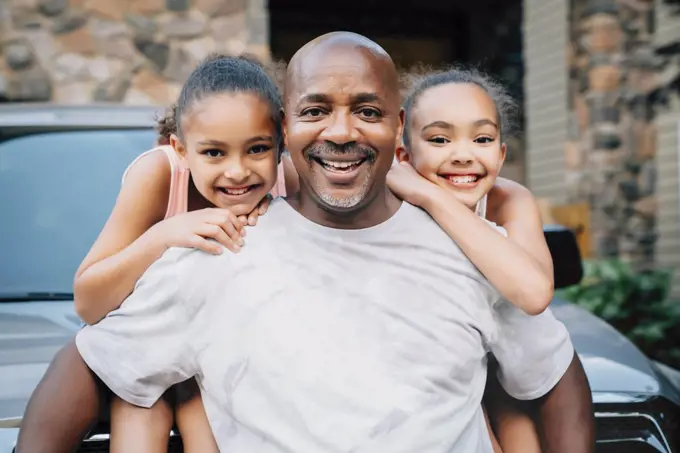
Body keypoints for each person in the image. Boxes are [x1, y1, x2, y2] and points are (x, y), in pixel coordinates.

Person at [16, 32, 595, 453]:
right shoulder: (221, 247)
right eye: (316, 110)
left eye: (366, 111)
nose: (341, 133)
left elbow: (555, 368)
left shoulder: (470, 248)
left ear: (398, 128)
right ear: (285, 128)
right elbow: (90, 361)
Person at [73, 53, 288, 453]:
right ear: (182, 149)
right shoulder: (160, 174)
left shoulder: (286, 186)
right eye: (214, 153)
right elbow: (88, 304)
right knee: (141, 404)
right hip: (146, 352)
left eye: (257, 149)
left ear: (282, 142)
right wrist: (164, 235)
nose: (238, 171)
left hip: (227, 362)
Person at [387, 67, 553, 452]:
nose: (463, 155)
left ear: (501, 152)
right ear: (403, 154)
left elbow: (534, 294)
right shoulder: (385, 209)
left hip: (522, 368)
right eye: (441, 139)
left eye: (481, 138)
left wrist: (435, 197)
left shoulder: (508, 199)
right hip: (440, 380)